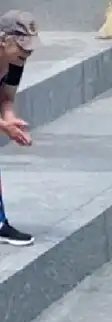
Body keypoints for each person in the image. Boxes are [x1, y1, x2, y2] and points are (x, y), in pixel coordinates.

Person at [0, 11, 37, 247]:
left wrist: (10, 119)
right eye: (23, 45)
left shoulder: (15, 62)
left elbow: (6, 99)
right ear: (3, 41)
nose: (28, 52)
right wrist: (4, 127)